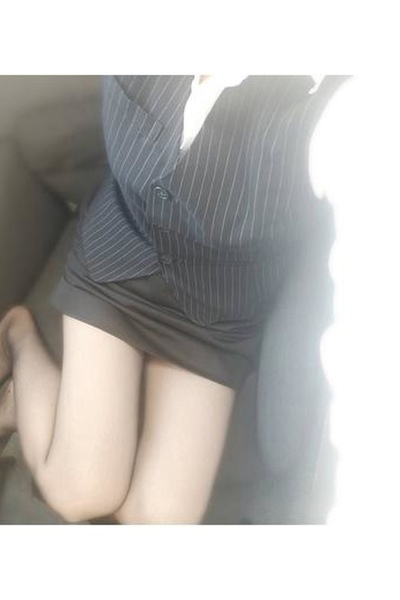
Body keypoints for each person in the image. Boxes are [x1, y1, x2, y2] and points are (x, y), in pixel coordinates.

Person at [0, 75, 344, 524]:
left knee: (159, 522)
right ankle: (19, 335)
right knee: (80, 490)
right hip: (124, 251)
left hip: (219, 304)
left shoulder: (336, 102)